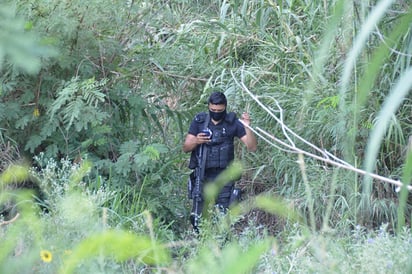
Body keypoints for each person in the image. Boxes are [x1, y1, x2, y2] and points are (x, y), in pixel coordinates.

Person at [183, 91, 257, 229]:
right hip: (202, 175)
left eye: (219, 110)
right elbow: (186, 147)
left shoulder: (232, 123)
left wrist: (247, 127)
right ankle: (201, 245)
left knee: (224, 218)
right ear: (209, 107)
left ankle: (222, 245)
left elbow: (251, 147)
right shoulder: (200, 122)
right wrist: (197, 141)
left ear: (225, 108)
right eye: (213, 110)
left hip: (224, 176)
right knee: (198, 219)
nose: (216, 112)